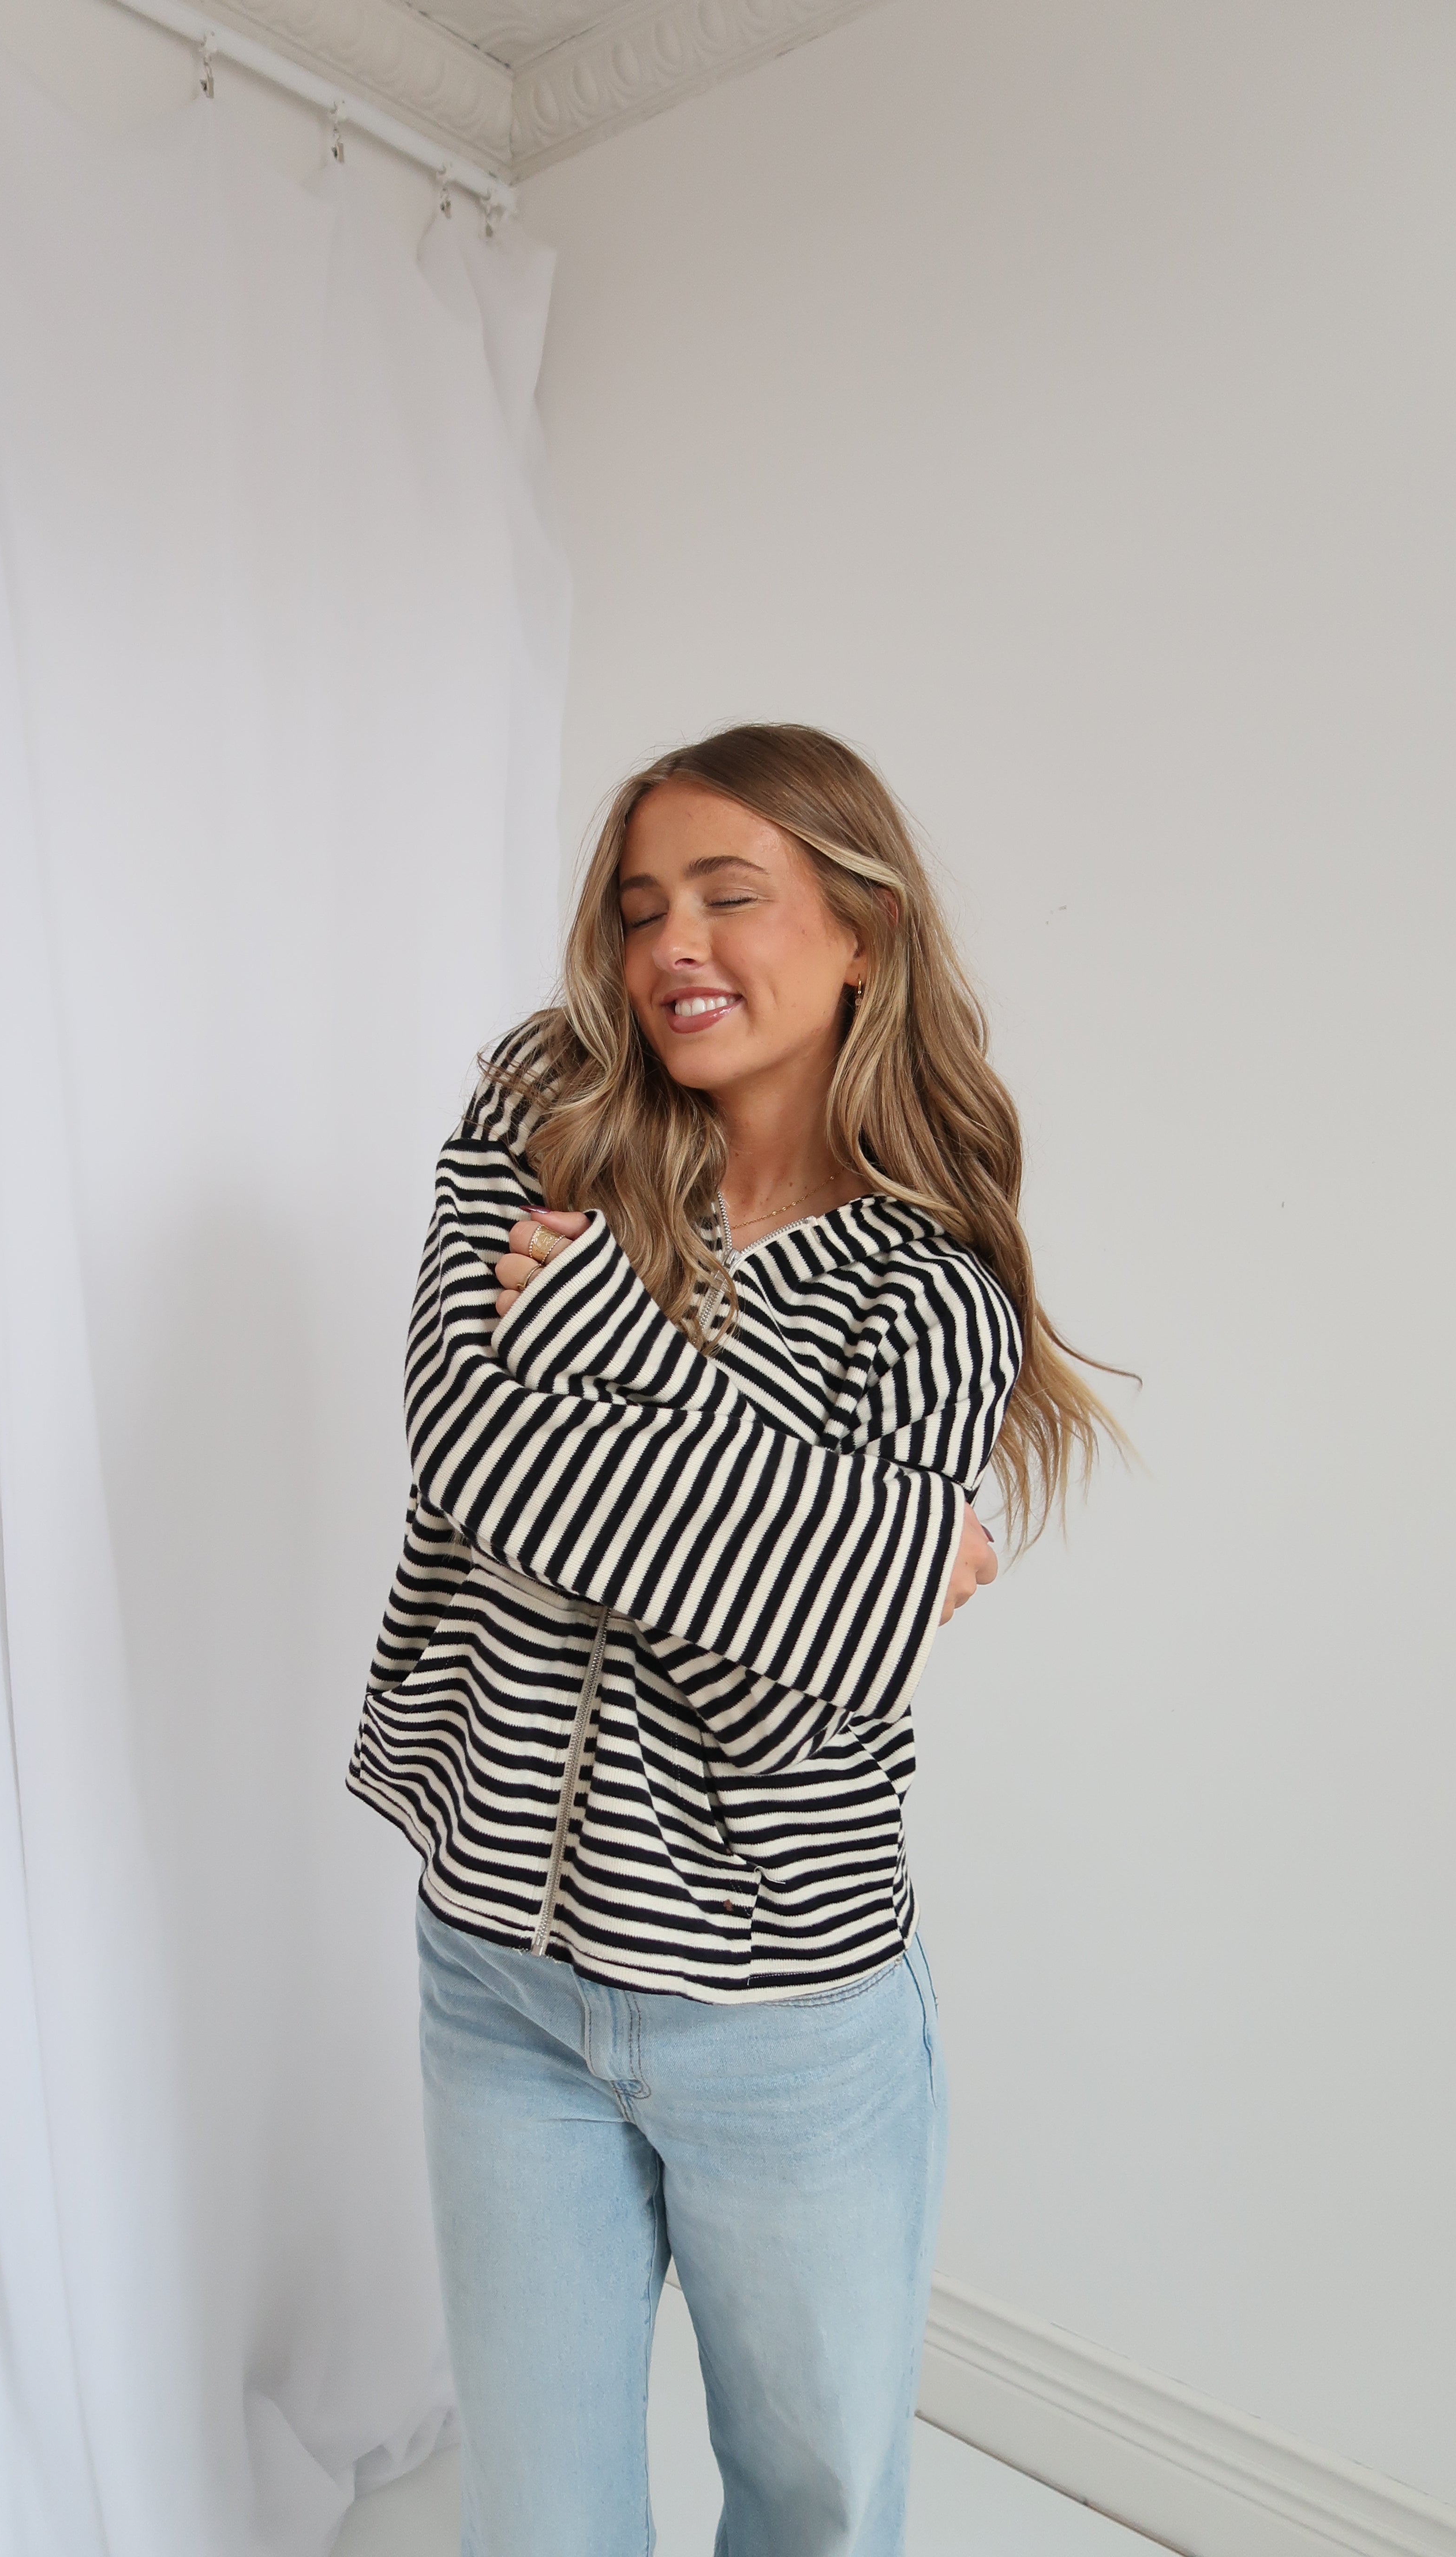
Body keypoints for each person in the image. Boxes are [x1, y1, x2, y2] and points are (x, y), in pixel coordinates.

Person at [347, 724, 1119, 2556]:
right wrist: (852, 1544)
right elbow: (467, 1444)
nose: (670, 945)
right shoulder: (546, 1115)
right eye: (639, 907)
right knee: (539, 2525)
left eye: (728, 894)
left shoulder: (929, 1293)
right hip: (500, 1979)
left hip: (785, 2014)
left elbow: (798, 1687)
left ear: (862, 930)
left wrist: (618, 1352)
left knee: (815, 2510)